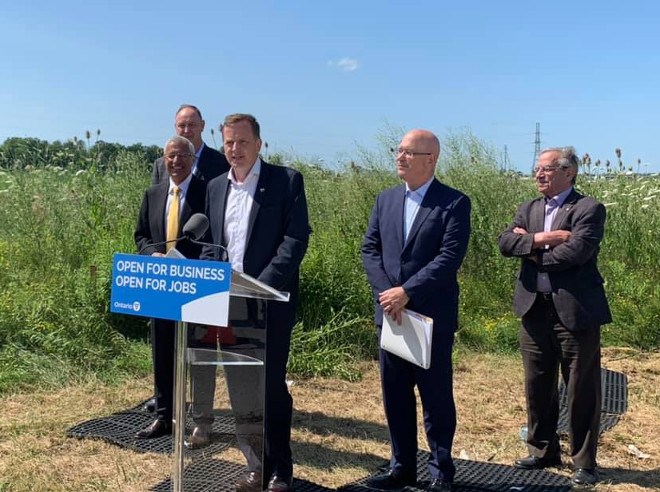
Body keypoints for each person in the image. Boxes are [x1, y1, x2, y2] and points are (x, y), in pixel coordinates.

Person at [195, 113, 310, 492]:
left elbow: (294, 241)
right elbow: (210, 243)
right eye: (228, 142)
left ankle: (280, 466)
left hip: (268, 305)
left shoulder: (286, 181)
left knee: (271, 387)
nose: (234, 150)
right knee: (241, 387)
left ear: (259, 144)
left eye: (242, 142)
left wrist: (259, 287)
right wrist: (215, 277)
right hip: (226, 306)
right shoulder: (214, 186)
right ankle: (254, 463)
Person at [361, 129, 471, 492]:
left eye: (409, 152)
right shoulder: (386, 199)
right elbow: (370, 250)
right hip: (390, 315)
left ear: (431, 160)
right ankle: (401, 467)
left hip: (429, 316)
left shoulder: (453, 203)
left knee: (436, 397)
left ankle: (441, 471)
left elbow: (448, 258)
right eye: (399, 150)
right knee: (395, 395)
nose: (400, 157)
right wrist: (387, 294)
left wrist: (407, 291)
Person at [498, 146, 611, 487]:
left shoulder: (588, 208)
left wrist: (530, 251)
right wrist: (543, 239)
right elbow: (505, 243)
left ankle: (584, 462)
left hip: (576, 312)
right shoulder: (528, 208)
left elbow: (575, 253)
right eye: (537, 169)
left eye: (546, 169)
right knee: (537, 383)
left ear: (568, 172)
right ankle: (543, 450)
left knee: (581, 388)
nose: (538, 175)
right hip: (534, 309)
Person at [134, 136, 208, 438]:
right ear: (163, 160)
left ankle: (202, 420)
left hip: (196, 286)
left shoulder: (208, 192)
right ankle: (164, 417)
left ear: (193, 159)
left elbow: (215, 234)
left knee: (198, 354)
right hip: (161, 287)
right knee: (163, 351)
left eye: (182, 156)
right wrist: (154, 254)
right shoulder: (153, 194)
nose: (176, 161)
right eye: (170, 156)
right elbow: (141, 236)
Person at [151, 104, 229, 185]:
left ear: (202, 126)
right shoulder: (161, 165)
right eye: (182, 125)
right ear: (175, 127)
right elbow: (156, 196)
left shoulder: (221, 162)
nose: (186, 130)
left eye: (191, 125)